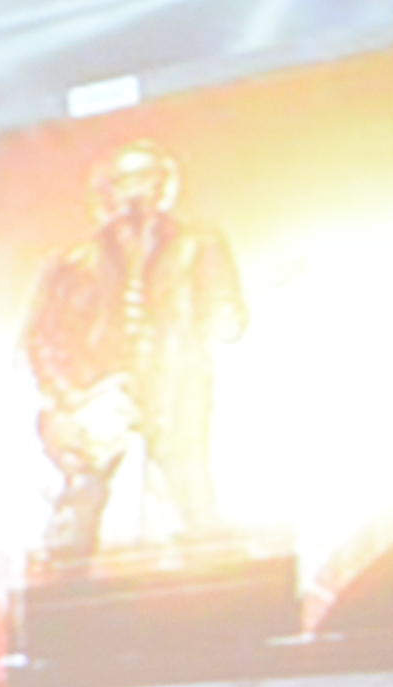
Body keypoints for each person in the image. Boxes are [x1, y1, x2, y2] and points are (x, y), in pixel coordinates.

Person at [22, 139, 245, 567]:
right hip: (104, 388)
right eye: (126, 183)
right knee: (85, 495)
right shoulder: (75, 261)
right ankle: (69, 576)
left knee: (189, 479)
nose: (137, 193)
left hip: (175, 377)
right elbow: (43, 337)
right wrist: (72, 394)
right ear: (105, 193)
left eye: (148, 180)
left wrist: (206, 336)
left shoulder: (197, 243)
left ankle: (214, 575)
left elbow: (226, 310)